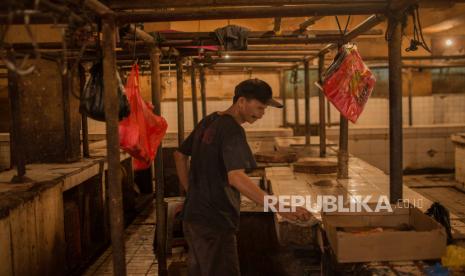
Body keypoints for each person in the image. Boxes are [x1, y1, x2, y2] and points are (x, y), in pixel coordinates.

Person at [174, 78, 313, 276]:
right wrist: (282, 207)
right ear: (241, 102)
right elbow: (236, 178)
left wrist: (192, 192)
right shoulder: (232, 130)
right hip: (215, 222)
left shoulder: (210, 120)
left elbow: (179, 155)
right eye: (259, 107)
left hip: (194, 218)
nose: (261, 114)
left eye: (264, 109)